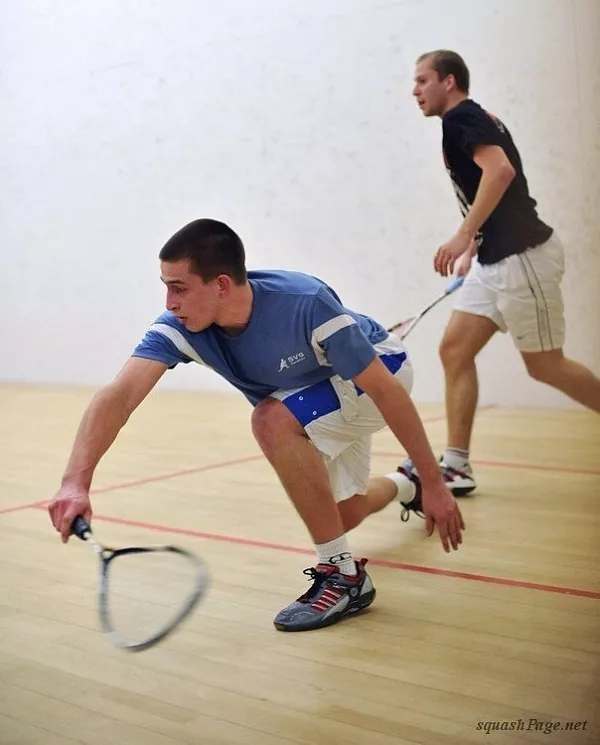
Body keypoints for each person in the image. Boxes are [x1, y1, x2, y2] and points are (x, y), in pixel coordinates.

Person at [48, 218, 464, 632]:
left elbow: (387, 392)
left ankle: (343, 576)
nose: (169, 302)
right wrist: (74, 482)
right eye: (165, 286)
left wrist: (437, 483)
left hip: (381, 369)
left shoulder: (305, 302)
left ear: (222, 285)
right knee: (340, 514)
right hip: (316, 397)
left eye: (179, 287)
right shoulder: (179, 328)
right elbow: (119, 395)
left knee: (270, 419)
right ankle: (403, 483)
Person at [411, 50, 600, 496]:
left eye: (423, 80)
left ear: (449, 81)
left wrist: (462, 234)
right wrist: (475, 245)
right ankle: (456, 464)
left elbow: (500, 172)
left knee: (545, 367)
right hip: (495, 259)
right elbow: (494, 188)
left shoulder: (463, 120)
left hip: (523, 257)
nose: (414, 90)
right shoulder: (472, 120)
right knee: (455, 350)